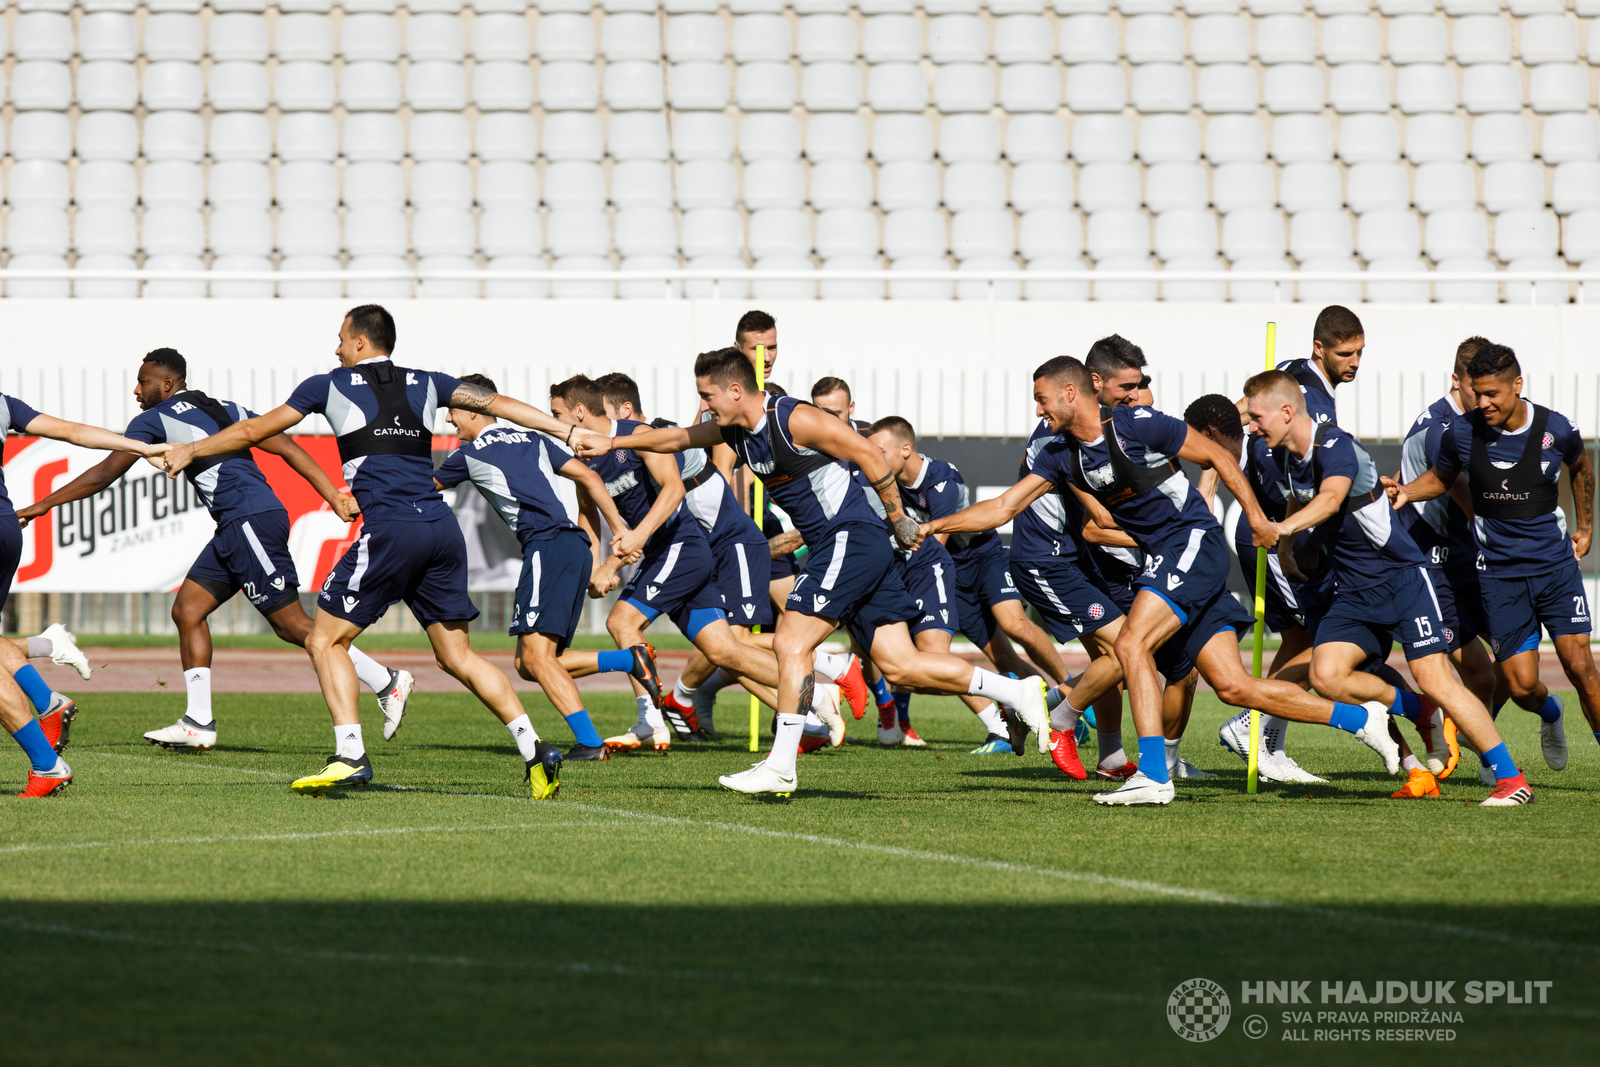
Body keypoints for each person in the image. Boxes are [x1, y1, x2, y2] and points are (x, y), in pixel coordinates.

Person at [921, 356, 1405, 806]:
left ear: (1070, 393)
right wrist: (932, 526)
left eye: (1042, 399)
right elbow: (1002, 508)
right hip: (1171, 557)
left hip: (1192, 541)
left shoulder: (1136, 424)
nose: (1037, 409)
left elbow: (1217, 455)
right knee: (1235, 688)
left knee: (1131, 645)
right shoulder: (1058, 456)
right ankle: (1361, 719)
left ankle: (1150, 773)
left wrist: (1258, 517)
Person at [576, 348, 1049, 797]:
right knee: (901, 666)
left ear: (736, 391)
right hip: (844, 544)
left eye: (707, 396)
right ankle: (1018, 691)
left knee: (789, 642)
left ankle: (781, 767)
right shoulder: (733, 430)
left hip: (852, 536)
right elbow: (675, 438)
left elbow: (866, 455)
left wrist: (897, 517)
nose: (703, 406)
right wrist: (614, 439)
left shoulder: (792, 417)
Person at [162, 304, 579, 799]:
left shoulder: (326, 384)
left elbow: (257, 430)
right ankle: (535, 749)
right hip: (441, 529)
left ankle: (350, 755)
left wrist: (193, 449)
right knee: (457, 655)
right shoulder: (430, 380)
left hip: (392, 529)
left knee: (323, 640)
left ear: (361, 342)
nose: (335, 348)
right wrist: (568, 432)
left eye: (340, 339)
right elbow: (499, 403)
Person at [21, 348, 413, 751]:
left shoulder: (154, 419)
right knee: (187, 610)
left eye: (144, 381)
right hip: (239, 523)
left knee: (293, 625)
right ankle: (198, 722)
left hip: (249, 520)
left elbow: (105, 472)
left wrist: (39, 507)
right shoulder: (228, 407)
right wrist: (331, 494)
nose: (137, 390)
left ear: (168, 384)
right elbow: (290, 449)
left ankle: (386, 680)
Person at [1245, 369, 1534, 804]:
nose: (1251, 426)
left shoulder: (1335, 444)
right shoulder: (1288, 456)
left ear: (1287, 412)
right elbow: (1299, 495)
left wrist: (1280, 528)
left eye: (1256, 417)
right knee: (1327, 675)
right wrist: (1287, 547)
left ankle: (1512, 781)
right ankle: (1422, 711)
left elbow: (1329, 498)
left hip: (1401, 581)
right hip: (1354, 592)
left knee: (1436, 678)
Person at [549, 375, 844, 752]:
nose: (552, 420)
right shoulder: (583, 455)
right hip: (666, 553)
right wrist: (594, 567)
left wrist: (628, 546)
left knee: (621, 621)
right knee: (725, 652)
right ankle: (818, 693)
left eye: (556, 413)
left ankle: (650, 721)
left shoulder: (636, 436)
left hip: (680, 546)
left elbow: (673, 488)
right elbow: (587, 514)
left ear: (578, 411)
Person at [1386, 342, 1599, 783]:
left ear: (1517, 386)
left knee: (1581, 667)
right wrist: (1406, 491)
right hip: (1500, 577)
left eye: (1492, 394)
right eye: (1477, 394)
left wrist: (1585, 527)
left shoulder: (1555, 428)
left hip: (1555, 569)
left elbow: (1581, 467)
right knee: (1520, 687)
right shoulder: (1460, 433)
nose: (1482, 403)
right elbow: (1441, 479)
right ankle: (1550, 711)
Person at [434, 373, 638, 762]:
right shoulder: (534, 438)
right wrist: (618, 529)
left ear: (476, 409)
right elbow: (590, 475)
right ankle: (629, 660)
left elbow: (422, 488)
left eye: (453, 410)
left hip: (547, 547)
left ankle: (592, 745)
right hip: (572, 548)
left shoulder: (470, 453)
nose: (448, 419)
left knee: (538, 659)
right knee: (528, 662)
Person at [1, 385, 170, 795]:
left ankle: (47, 762)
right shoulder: (3, 402)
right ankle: (46, 696)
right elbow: (74, 430)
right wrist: (139, 448)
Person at [1183, 394, 1328, 786]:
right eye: (1347, 353)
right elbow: (1232, 414)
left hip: (1293, 536)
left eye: (1358, 353)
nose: (1354, 362)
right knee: (1326, 639)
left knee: (1301, 641)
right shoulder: (1296, 377)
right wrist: (1209, 485)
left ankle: (1269, 745)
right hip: (1271, 539)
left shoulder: (1321, 399)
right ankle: (1252, 723)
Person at [1394, 336, 1502, 782]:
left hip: (1462, 555)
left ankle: (1483, 733)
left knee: (1510, 669)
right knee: (1465, 668)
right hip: (1429, 559)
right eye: (1478, 391)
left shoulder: (1478, 418)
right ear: (1457, 381)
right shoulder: (1442, 429)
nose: (1487, 401)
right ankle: (1466, 746)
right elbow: (1469, 498)